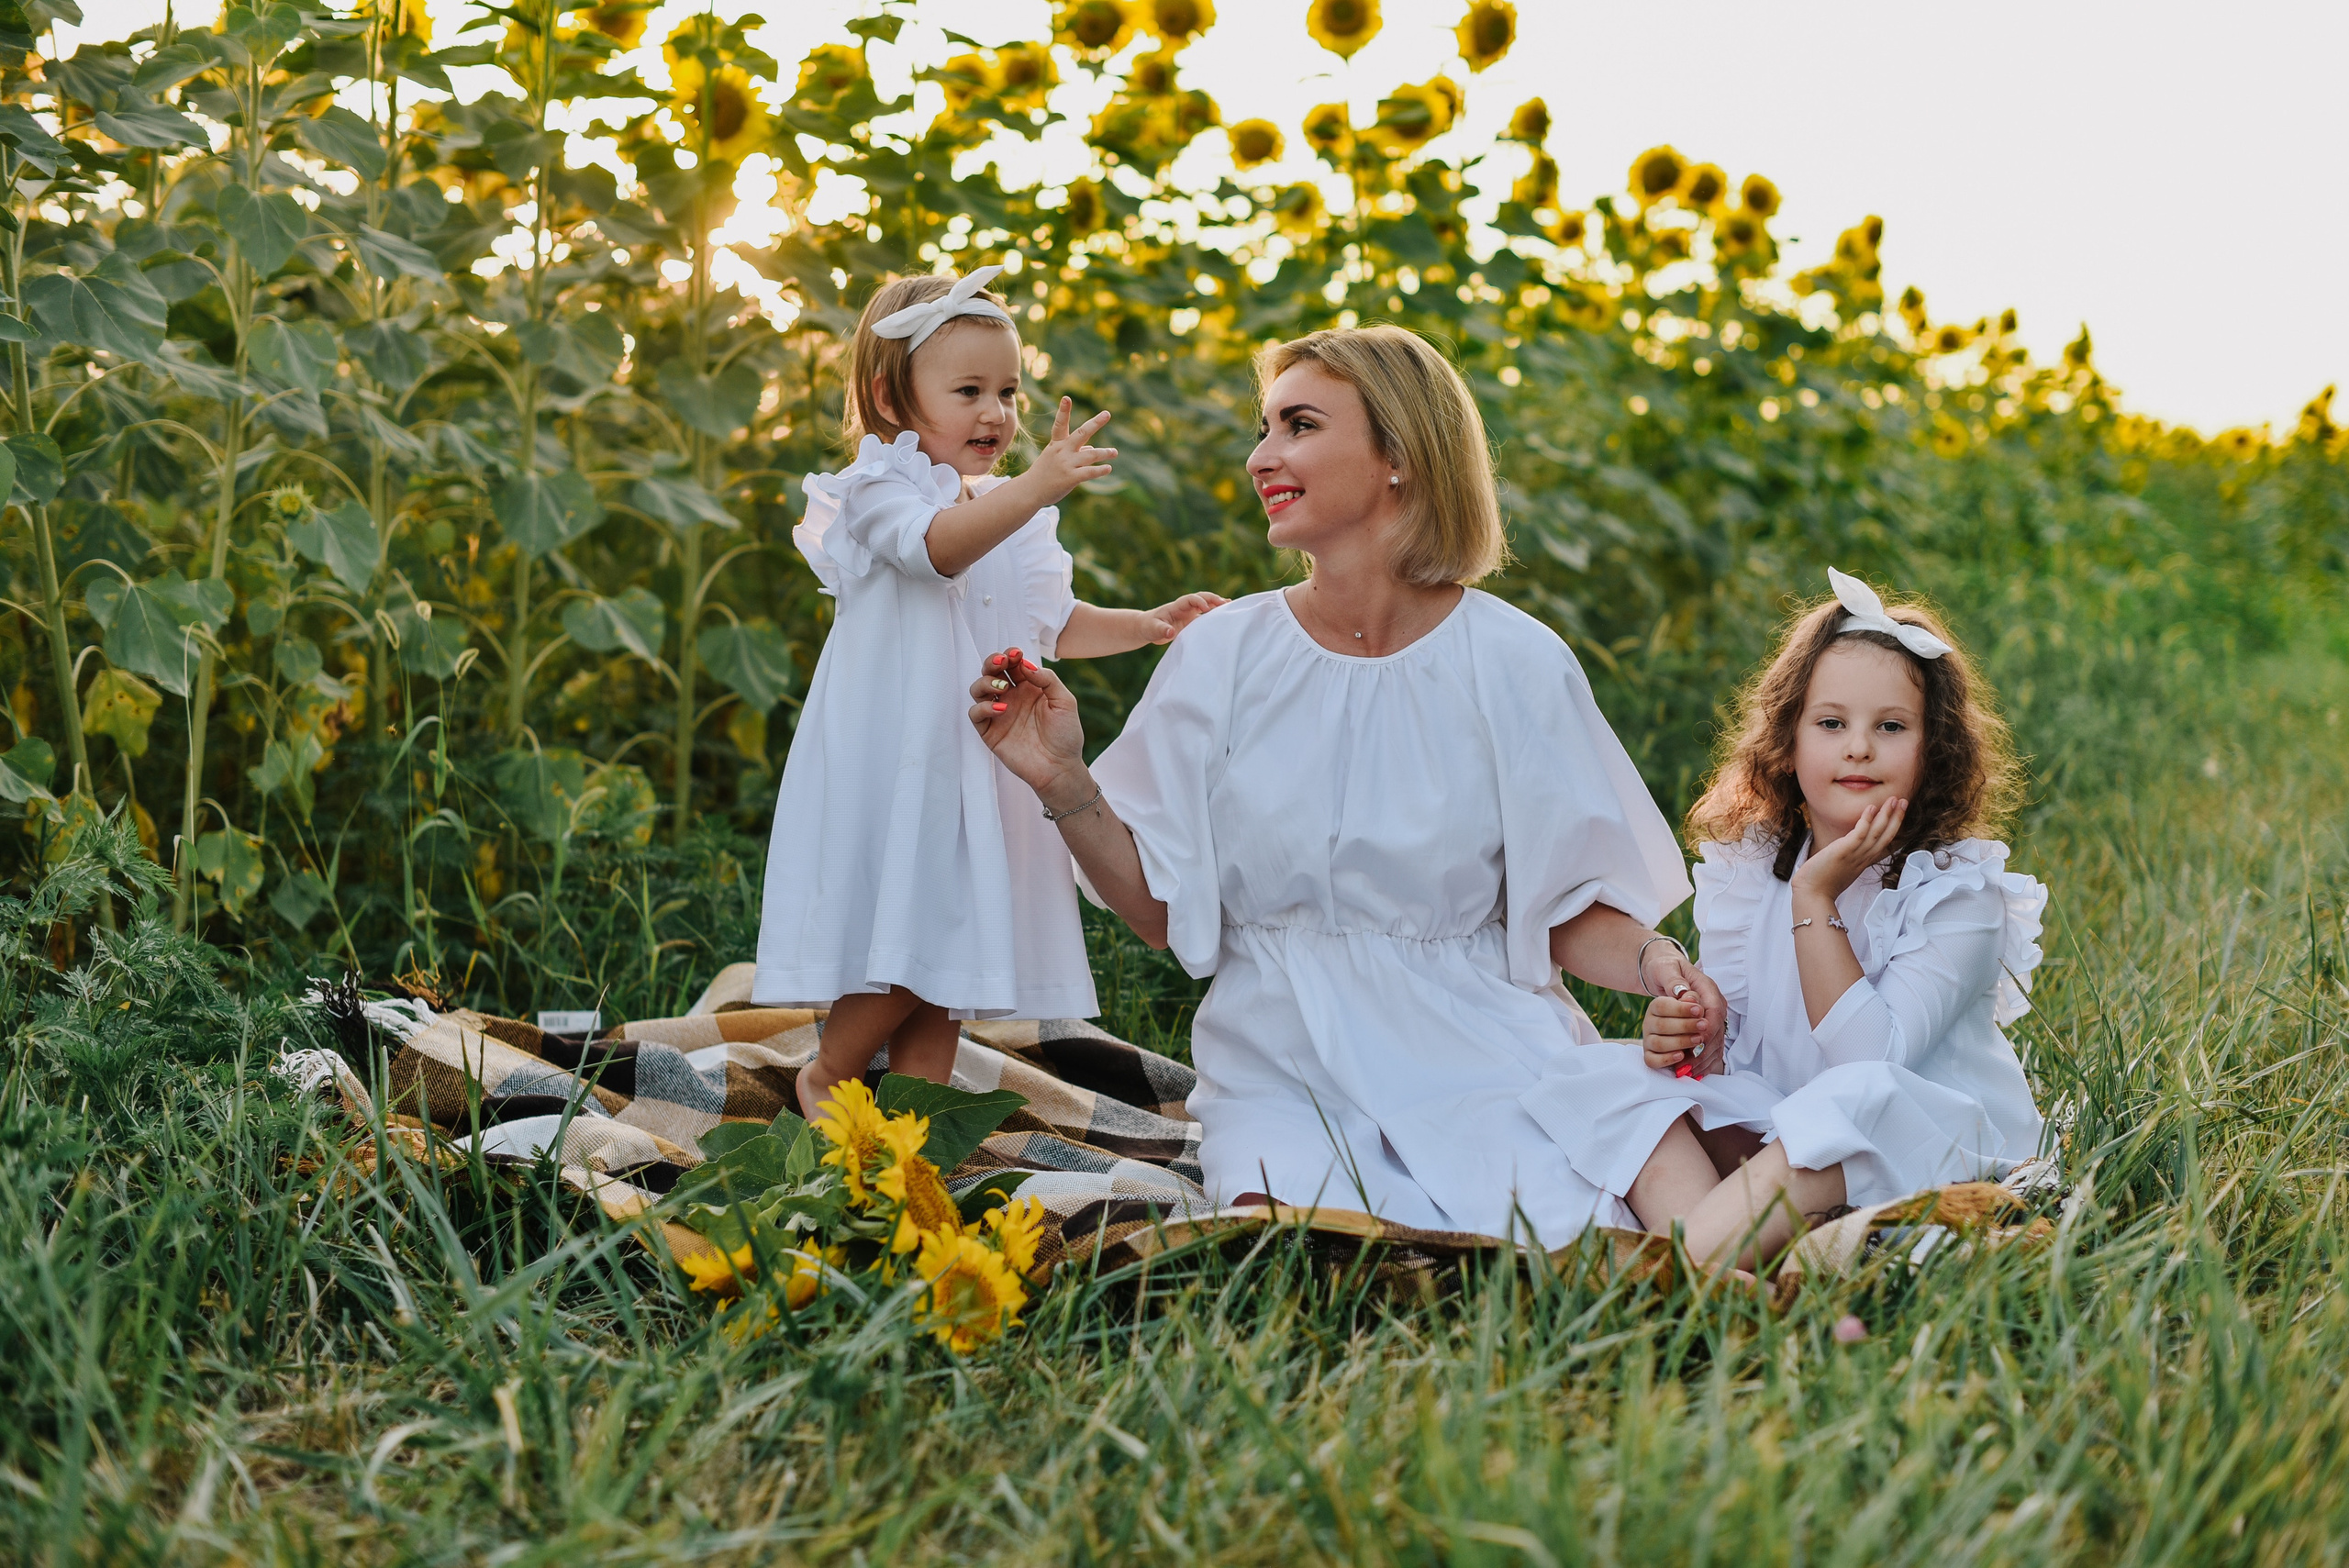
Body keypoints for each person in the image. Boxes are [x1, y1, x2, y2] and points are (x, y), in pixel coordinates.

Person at [966, 324, 1720, 1242]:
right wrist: (1063, 778)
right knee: (1304, 1248)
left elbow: (1560, 909)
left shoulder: (1516, 662)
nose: (1261, 456)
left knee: (1560, 1235)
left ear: (1399, 454)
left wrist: (1655, 965)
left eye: (1298, 425)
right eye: (1263, 427)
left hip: (1481, 1044)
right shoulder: (1223, 654)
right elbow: (1161, 911)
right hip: (1283, 1062)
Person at [756, 267, 1223, 1117]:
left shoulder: (1012, 510)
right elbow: (935, 549)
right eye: (968, 389)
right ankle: (829, 1074)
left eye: (1008, 390)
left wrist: (1148, 623)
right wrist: (1034, 484)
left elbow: (1054, 621)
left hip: (984, 761)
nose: (997, 413)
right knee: (913, 937)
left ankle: (914, 1128)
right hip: (904, 756)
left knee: (953, 952)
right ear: (889, 396)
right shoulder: (875, 492)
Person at [1520, 569, 2046, 1273]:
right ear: (1790, 743)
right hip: (1790, 1141)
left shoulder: (1953, 895)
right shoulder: (1752, 872)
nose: (1857, 746)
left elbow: (1868, 1066)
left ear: (1934, 750)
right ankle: (1732, 1268)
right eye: (1831, 723)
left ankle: (1665, 1278)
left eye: (1890, 727)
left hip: (1918, 1146)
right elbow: (1739, 1050)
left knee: (1853, 1102)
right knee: (1612, 1079)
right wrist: (1693, 1038)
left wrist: (1817, 900)